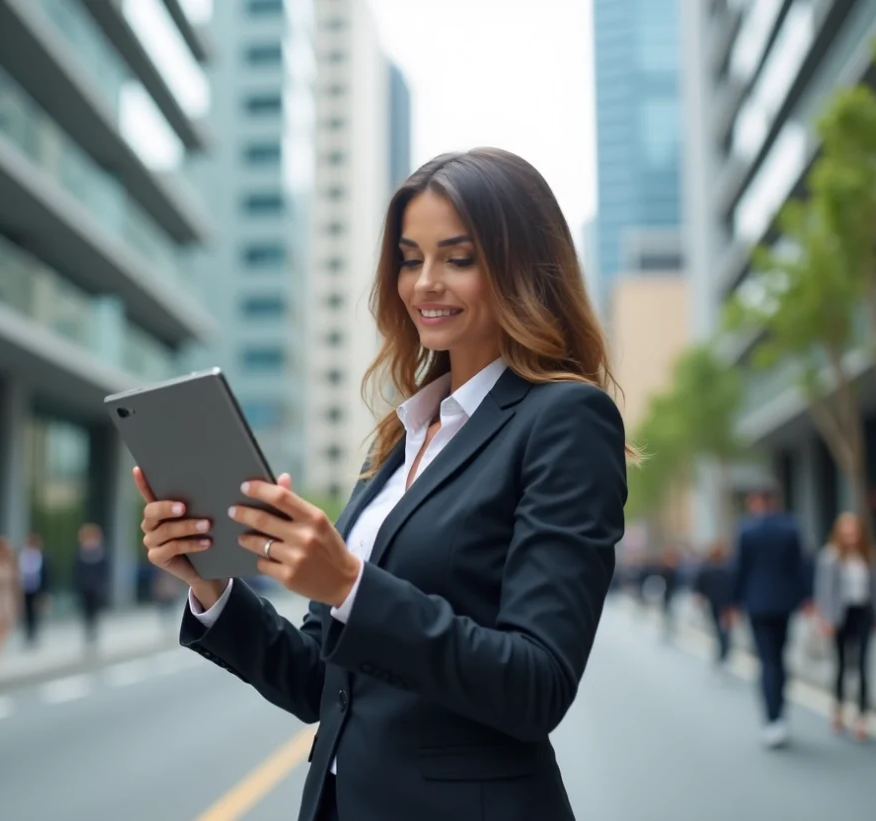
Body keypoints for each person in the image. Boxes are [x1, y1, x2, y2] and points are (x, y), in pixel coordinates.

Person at [138, 148, 628, 821]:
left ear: (519, 266)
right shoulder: (400, 438)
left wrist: (349, 583)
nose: (425, 282)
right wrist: (212, 586)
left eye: (458, 257)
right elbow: (320, 682)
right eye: (409, 256)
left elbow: (537, 683)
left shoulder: (566, 420)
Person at [729, 486, 811, 748]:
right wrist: (807, 598)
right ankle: (780, 714)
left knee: (767, 662)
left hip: (756, 604)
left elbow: (738, 568)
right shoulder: (790, 527)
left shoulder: (746, 530)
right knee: (780, 657)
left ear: (755, 502)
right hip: (785, 603)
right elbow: (801, 565)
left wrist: (731, 603)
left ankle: (772, 718)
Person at [813, 512, 876, 740]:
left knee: (863, 664)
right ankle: (838, 707)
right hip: (840, 615)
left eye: (854, 532)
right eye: (846, 532)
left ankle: (862, 717)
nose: (851, 537)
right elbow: (823, 590)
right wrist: (824, 619)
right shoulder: (829, 556)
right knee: (841, 664)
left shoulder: (872, 555)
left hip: (863, 612)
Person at [693, 541, 735, 670]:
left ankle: (723, 650)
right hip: (726, 604)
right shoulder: (728, 569)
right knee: (725, 629)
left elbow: (700, 590)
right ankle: (725, 649)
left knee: (719, 628)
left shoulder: (708, 570)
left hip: (718, 604)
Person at [73, 524, 109, 648]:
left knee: (95, 611)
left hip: (96, 587)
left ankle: (94, 631)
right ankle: (88, 632)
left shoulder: (100, 552)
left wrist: (103, 585)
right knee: (85, 611)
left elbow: (104, 571)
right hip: (85, 587)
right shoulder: (81, 552)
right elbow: (76, 571)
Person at [18, 533, 50, 647]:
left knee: (36, 613)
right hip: (24, 589)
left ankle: (34, 635)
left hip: (37, 589)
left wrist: (45, 592)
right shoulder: (22, 555)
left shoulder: (42, 556)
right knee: (27, 613)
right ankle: (28, 635)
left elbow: (47, 575)